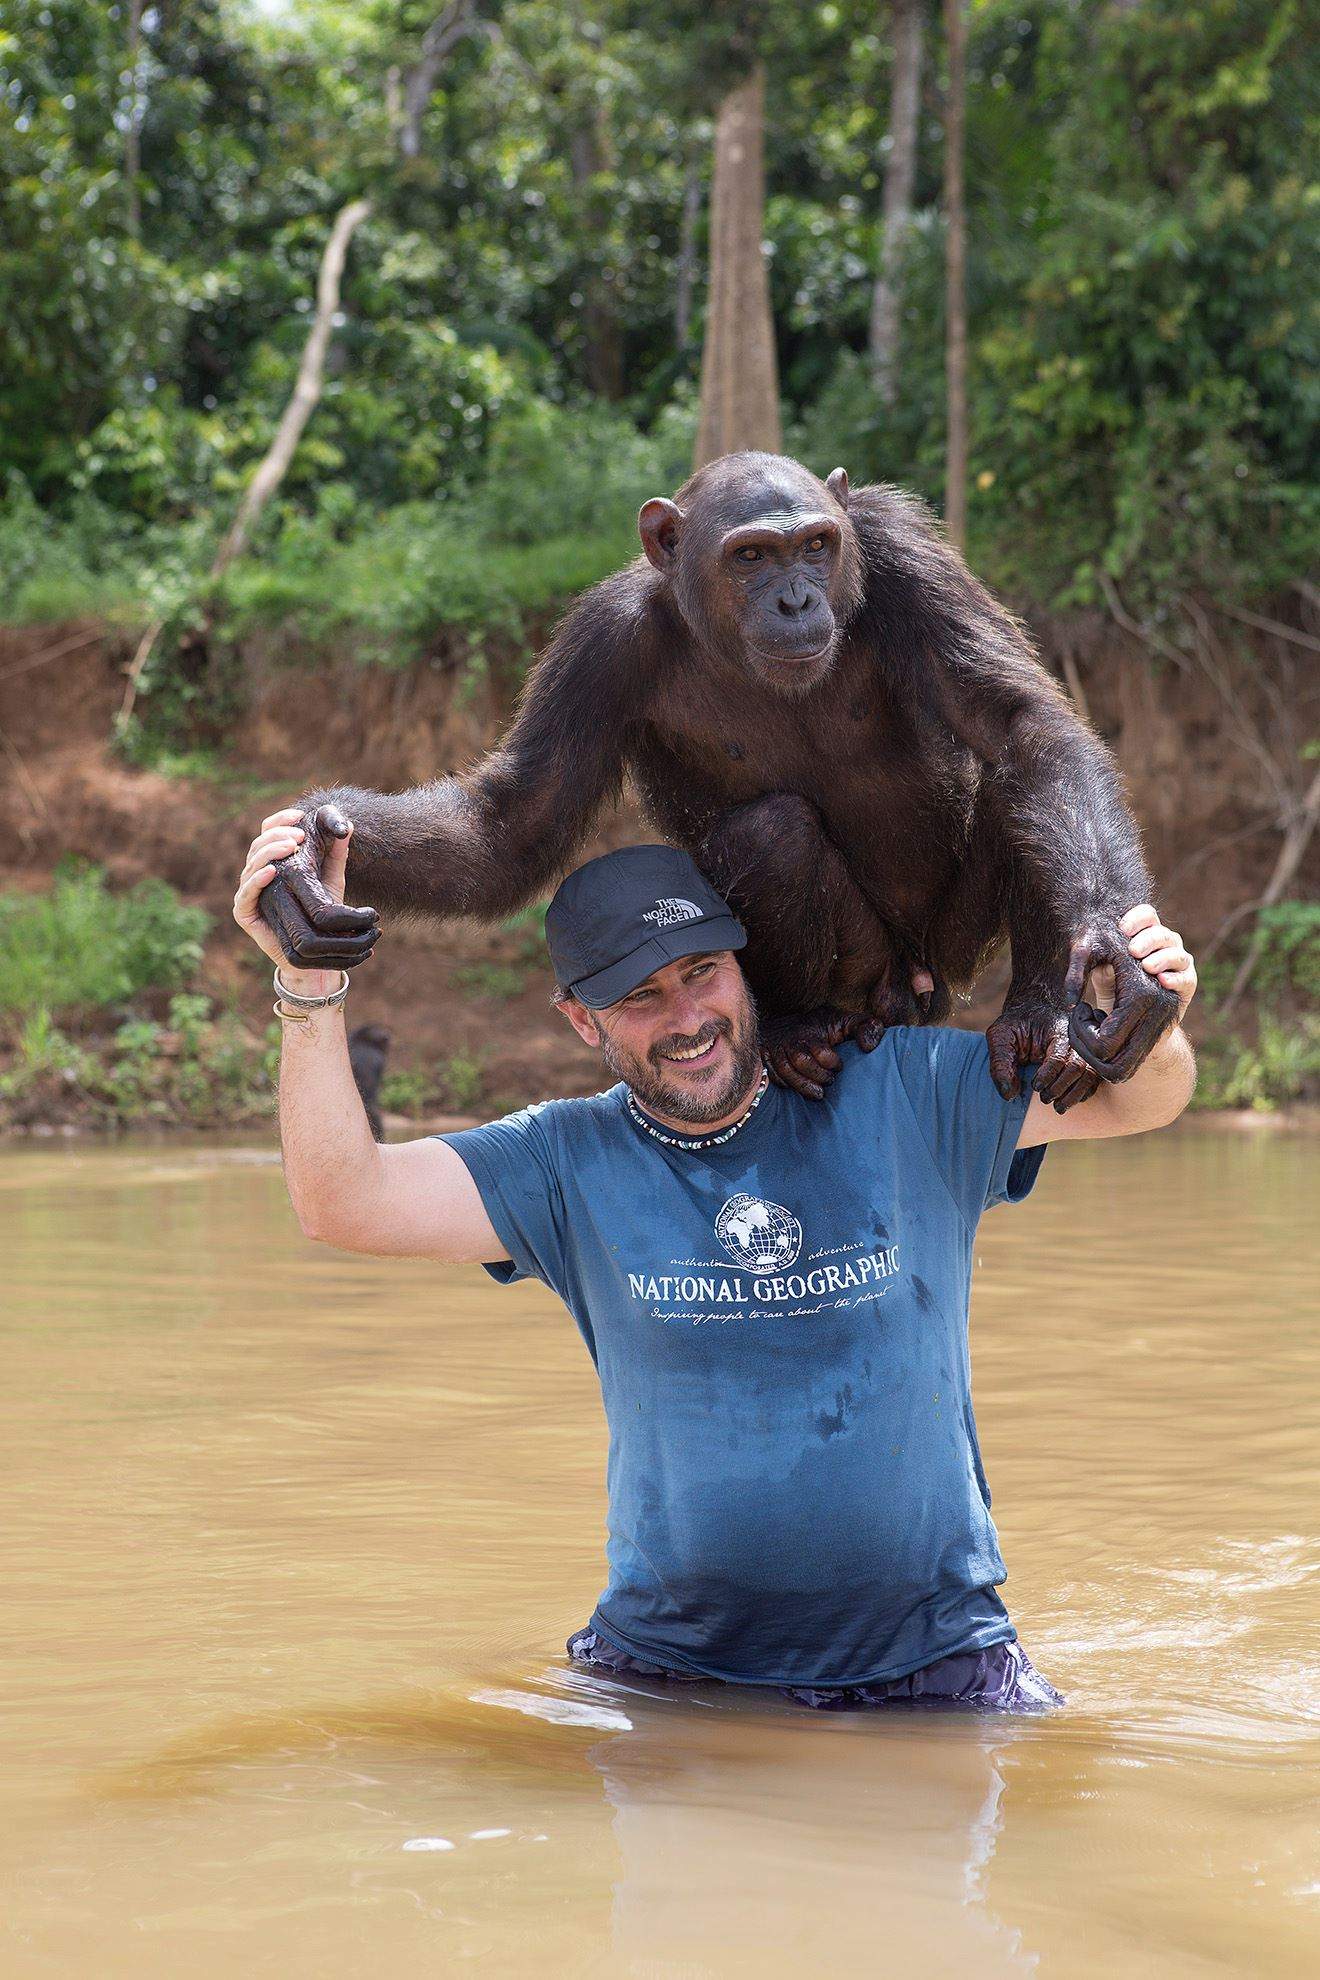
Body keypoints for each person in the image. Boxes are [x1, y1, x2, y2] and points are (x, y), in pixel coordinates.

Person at [234, 811, 1198, 1711]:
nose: (687, 1016)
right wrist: (309, 982)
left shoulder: (904, 1089)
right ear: (582, 1021)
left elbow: (1140, 1102)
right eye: (640, 997)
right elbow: (341, 1203)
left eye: (701, 972)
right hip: (669, 1674)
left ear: (744, 964)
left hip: (935, 1665)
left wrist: (1152, 1009)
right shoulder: (562, 1161)